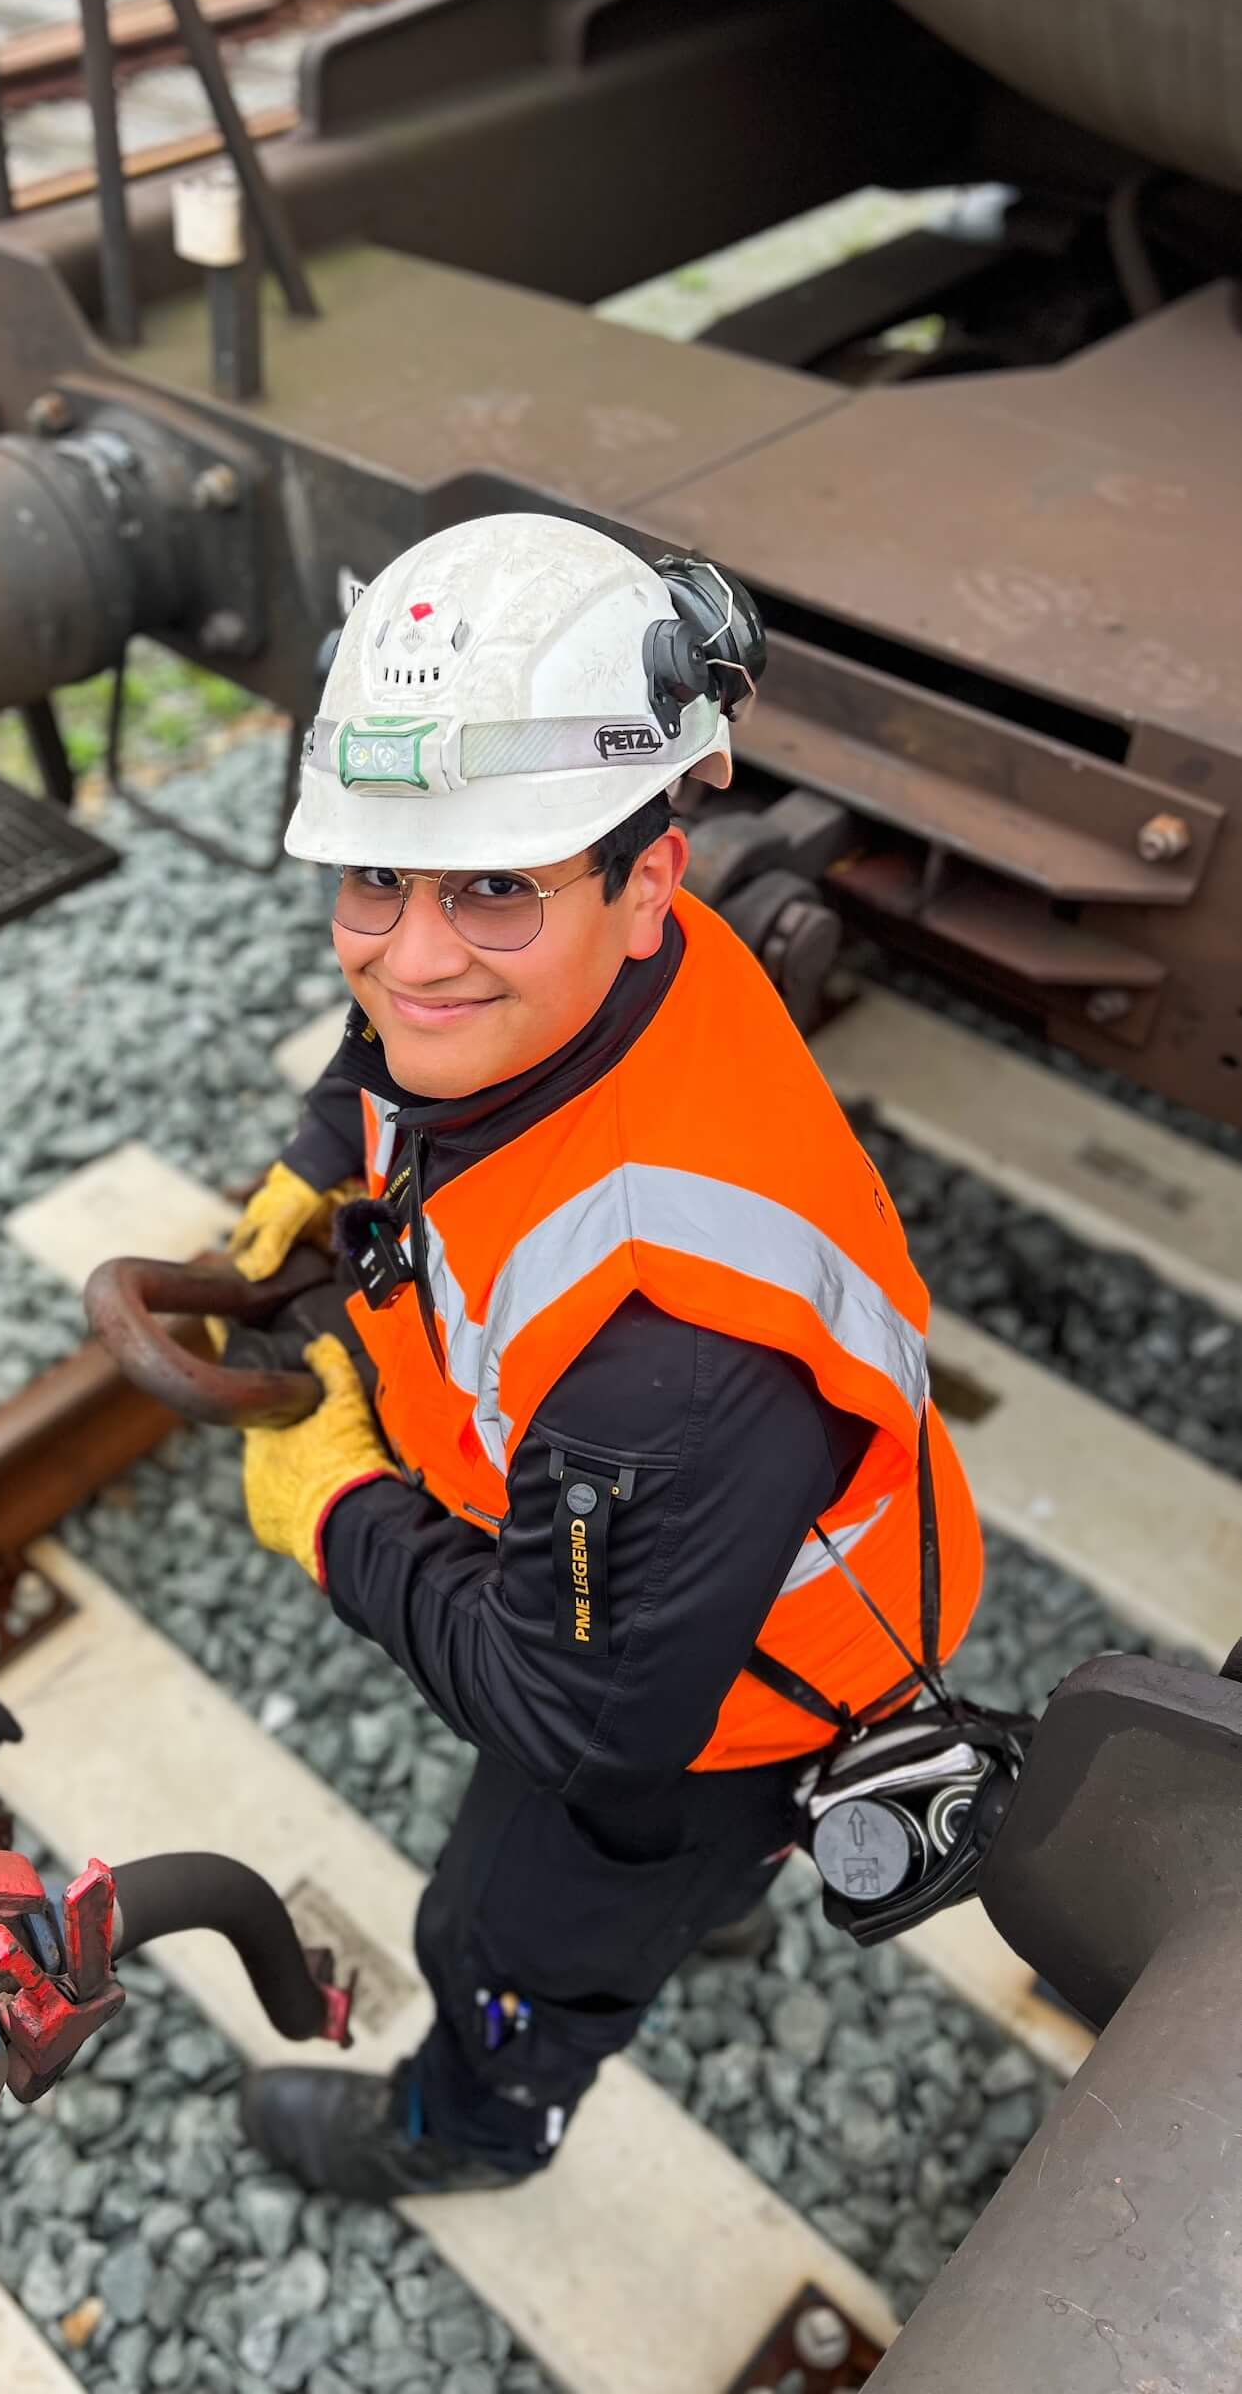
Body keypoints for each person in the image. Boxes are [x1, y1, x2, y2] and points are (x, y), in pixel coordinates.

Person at [229, 512, 984, 2199]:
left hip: (724, 1702)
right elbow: (403, 1041)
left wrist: (337, 1506)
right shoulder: (621, 975)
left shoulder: (678, 1359)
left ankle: (475, 2121)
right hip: (674, 1577)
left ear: (652, 874)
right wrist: (321, 1148)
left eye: (493, 886)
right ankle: (688, 1907)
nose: (410, 953)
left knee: (497, 1919)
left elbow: (581, 1717)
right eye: (374, 876)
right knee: (635, 1877)